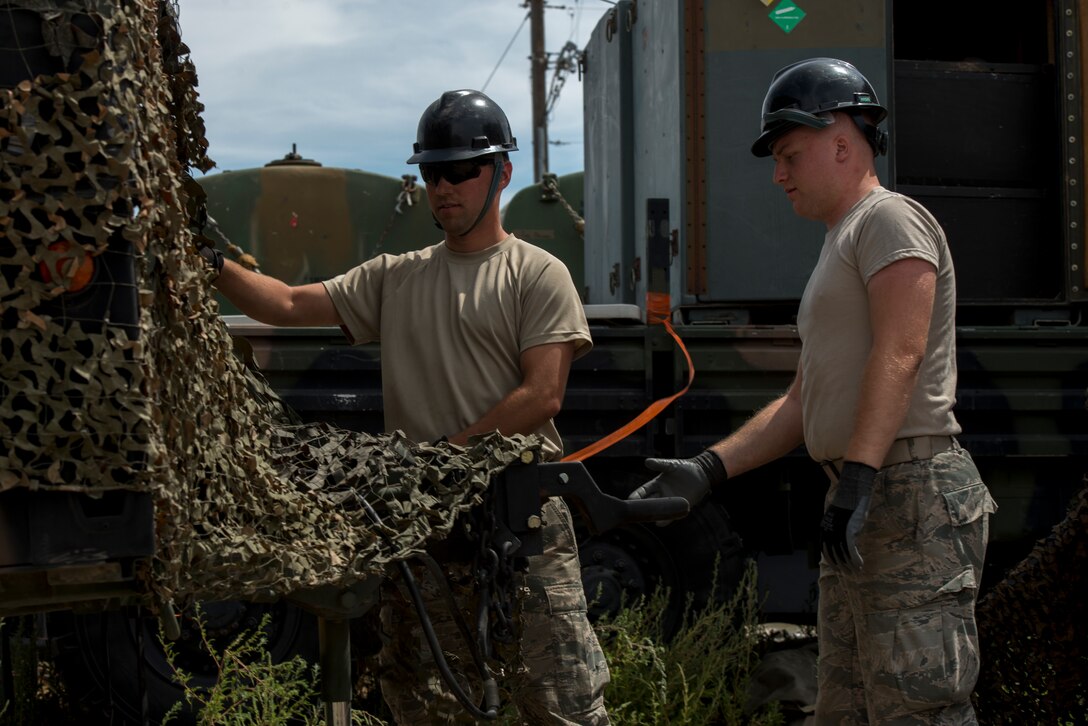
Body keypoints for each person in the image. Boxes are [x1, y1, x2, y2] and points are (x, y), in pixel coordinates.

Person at [202, 89, 611, 724]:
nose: (443, 186)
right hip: (427, 534)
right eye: (431, 172)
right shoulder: (397, 275)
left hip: (517, 523)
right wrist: (210, 262)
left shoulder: (537, 273)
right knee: (427, 704)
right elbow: (283, 305)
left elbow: (542, 394)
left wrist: (442, 461)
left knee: (558, 705)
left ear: (502, 172)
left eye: (460, 170)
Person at [629, 58, 997, 725]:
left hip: (907, 491)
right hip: (865, 496)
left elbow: (903, 350)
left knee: (921, 710)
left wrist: (858, 476)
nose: (778, 175)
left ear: (840, 141)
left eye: (789, 156)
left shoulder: (890, 220)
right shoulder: (841, 244)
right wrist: (707, 470)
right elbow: (803, 401)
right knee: (848, 708)